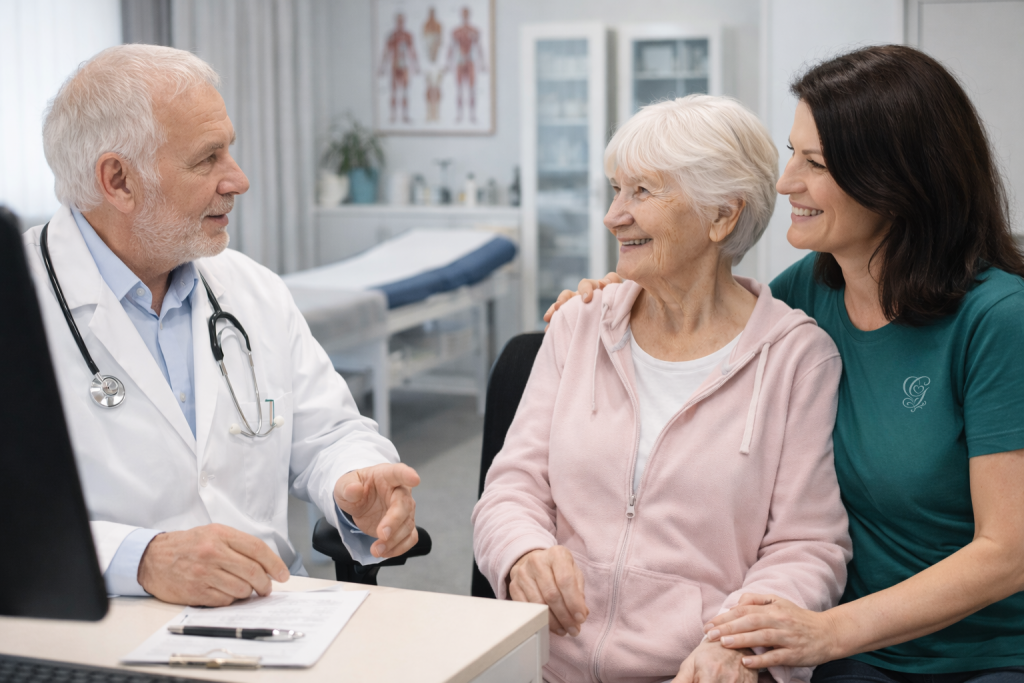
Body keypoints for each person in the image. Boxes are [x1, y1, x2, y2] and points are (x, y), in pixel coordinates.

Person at [546, 45, 1024, 680]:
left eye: (815, 162)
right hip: (834, 644)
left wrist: (825, 633)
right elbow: (705, 300)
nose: (785, 181)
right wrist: (619, 295)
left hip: (967, 656)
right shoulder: (809, 294)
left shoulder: (997, 320)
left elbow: (1008, 551)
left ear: (898, 178)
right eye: (792, 153)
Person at [23, 44, 420, 607]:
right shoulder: (18, 302)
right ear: (118, 180)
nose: (238, 180)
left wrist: (356, 482)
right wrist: (141, 558)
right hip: (102, 627)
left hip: (275, 614)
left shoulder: (252, 290)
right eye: (208, 159)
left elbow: (330, 433)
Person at [473, 95, 852, 683]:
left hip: (697, 671)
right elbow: (512, 484)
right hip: (545, 665)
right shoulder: (579, 324)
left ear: (722, 216)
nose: (613, 216)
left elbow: (806, 548)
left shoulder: (798, 359)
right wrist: (521, 552)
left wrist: (735, 644)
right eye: (616, 190)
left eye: (642, 193)